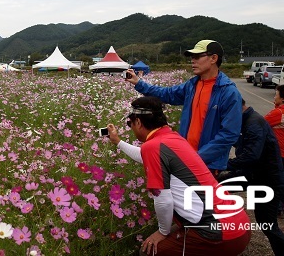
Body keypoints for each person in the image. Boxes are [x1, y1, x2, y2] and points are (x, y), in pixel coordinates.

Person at [107, 96, 251, 255]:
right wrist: (118, 142)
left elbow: (163, 200)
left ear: (139, 122)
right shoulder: (171, 138)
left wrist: (162, 232)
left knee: (148, 251)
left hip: (218, 233)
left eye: (130, 124)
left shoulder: (152, 146)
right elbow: (144, 154)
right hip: (238, 223)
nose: (131, 128)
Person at [124, 39, 242, 176]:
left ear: (214, 58)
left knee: (200, 197)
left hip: (207, 166)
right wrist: (139, 83)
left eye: (197, 57)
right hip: (185, 159)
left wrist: (198, 158)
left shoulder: (228, 92)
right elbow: (166, 94)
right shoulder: (192, 85)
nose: (192, 60)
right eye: (191, 57)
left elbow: (229, 134)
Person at [218, 99, 284, 255]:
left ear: (237, 108)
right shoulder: (246, 120)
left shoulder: (254, 123)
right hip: (252, 174)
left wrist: (223, 165)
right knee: (218, 185)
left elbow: (251, 156)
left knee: (267, 223)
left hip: (267, 180)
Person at [264, 84, 284, 168]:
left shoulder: (279, 112)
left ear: (283, 99)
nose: (274, 97)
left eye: (276, 95)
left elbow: (259, 123)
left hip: (279, 152)